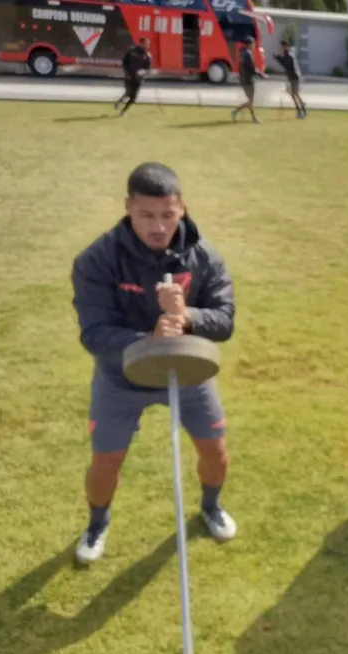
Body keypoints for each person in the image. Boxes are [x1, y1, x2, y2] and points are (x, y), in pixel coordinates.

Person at [70, 162, 237, 564]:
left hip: (187, 371)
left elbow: (225, 319)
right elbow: (94, 333)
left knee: (215, 450)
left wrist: (189, 317)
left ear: (182, 208)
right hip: (121, 377)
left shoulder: (203, 257)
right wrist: (147, 340)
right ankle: (97, 523)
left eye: (167, 214)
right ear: (129, 208)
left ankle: (211, 506)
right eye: (146, 215)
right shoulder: (98, 259)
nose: (158, 226)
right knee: (107, 460)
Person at [232, 37, 265, 124]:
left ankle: (251, 117)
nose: (254, 45)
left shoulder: (242, 53)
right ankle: (237, 111)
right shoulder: (248, 53)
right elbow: (252, 69)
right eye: (253, 43)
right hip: (248, 80)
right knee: (251, 101)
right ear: (250, 44)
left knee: (250, 100)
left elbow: (241, 67)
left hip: (243, 80)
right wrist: (261, 74)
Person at [115, 37, 151, 117]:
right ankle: (120, 101)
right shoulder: (132, 51)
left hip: (139, 79)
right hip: (129, 76)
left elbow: (147, 69)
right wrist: (127, 72)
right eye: (145, 43)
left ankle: (123, 111)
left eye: (148, 44)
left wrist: (143, 73)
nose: (146, 45)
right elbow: (124, 62)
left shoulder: (148, 56)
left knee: (133, 98)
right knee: (128, 93)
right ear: (141, 43)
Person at [274, 40, 307, 119]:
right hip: (292, 77)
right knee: (294, 94)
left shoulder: (288, 55)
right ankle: (301, 108)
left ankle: (301, 110)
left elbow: (287, 66)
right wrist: (278, 58)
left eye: (282, 46)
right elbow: (285, 65)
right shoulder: (287, 54)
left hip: (294, 77)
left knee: (294, 94)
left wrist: (278, 59)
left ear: (285, 46)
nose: (281, 48)